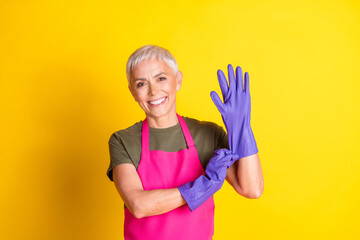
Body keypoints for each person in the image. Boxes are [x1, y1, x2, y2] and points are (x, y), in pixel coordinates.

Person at [106, 45, 264, 240]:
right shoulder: (123, 140)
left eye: (161, 78)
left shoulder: (207, 134)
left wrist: (242, 129)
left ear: (178, 80)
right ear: (132, 91)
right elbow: (138, 205)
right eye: (141, 84)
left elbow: (251, 189)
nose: (153, 91)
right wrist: (204, 185)